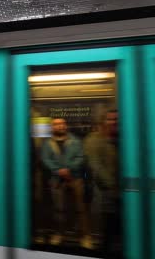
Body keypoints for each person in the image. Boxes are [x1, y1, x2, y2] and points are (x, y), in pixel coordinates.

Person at [41, 118, 92, 249]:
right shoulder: (47, 143)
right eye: (56, 124)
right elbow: (45, 160)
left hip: (75, 179)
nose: (60, 126)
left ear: (66, 126)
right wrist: (59, 171)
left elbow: (81, 157)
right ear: (52, 128)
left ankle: (84, 236)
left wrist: (68, 169)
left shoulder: (75, 141)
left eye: (62, 123)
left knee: (81, 209)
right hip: (57, 180)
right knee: (59, 209)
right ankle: (59, 234)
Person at [84, 110, 120, 257]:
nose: (113, 122)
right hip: (103, 194)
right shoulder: (93, 140)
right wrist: (113, 186)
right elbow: (96, 166)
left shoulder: (119, 141)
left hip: (118, 195)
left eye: (116, 120)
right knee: (105, 233)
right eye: (110, 119)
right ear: (102, 122)